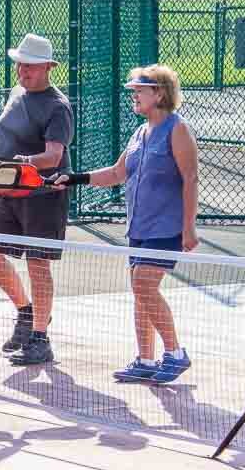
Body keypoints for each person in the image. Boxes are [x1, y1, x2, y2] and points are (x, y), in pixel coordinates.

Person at [52, 64, 198, 384]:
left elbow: (190, 177)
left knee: (144, 285)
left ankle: (175, 354)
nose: (133, 94)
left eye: (139, 89)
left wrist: (189, 227)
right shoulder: (140, 132)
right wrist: (75, 178)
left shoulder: (177, 129)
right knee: (140, 290)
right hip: (138, 227)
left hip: (166, 227)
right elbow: (118, 173)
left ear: (158, 93)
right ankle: (145, 359)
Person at [0, 33, 74, 366]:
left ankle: (40, 338)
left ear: (48, 67)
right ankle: (26, 312)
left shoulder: (58, 106)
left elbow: (53, 156)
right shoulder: (15, 94)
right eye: (20, 64)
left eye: (30, 65)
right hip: (10, 191)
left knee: (37, 264)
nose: (22, 71)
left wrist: (22, 163)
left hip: (43, 194)